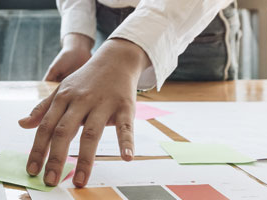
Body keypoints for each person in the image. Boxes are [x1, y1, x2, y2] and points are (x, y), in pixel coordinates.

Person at [19, 0, 238, 187]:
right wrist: (77, 37)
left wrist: (127, 49)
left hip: (190, 18)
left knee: (202, 158)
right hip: (106, 23)